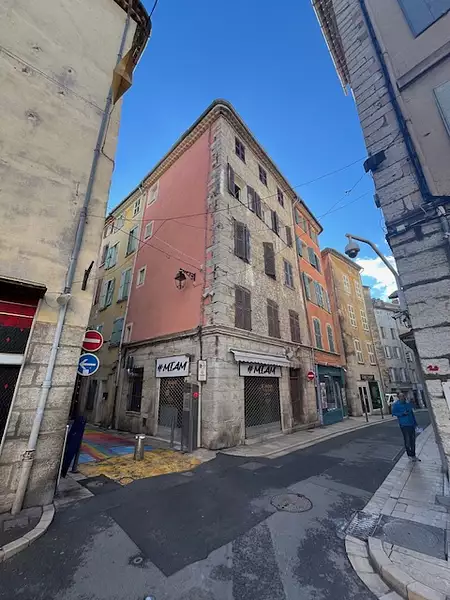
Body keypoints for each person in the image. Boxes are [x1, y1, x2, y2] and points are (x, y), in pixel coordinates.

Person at [391, 392, 420, 461]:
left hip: (411, 424)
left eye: (403, 396)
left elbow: (412, 414)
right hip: (404, 425)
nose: (403, 397)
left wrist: (415, 423)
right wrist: (402, 414)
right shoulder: (396, 405)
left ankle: (413, 455)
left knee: (413, 440)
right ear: (398, 397)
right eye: (401, 396)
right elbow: (393, 413)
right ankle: (409, 455)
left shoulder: (408, 404)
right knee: (407, 440)